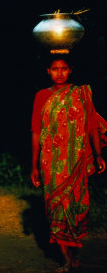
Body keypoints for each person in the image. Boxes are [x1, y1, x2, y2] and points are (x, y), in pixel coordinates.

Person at [30, 54, 106, 272]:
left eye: (64, 68)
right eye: (55, 69)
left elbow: (91, 125)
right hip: (51, 162)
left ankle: (72, 253)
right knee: (55, 208)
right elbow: (36, 132)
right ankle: (65, 258)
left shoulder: (81, 94)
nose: (59, 73)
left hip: (76, 161)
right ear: (48, 71)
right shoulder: (41, 96)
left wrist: (99, 155)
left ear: (71, 70)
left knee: (76, 207)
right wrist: (33, 165)